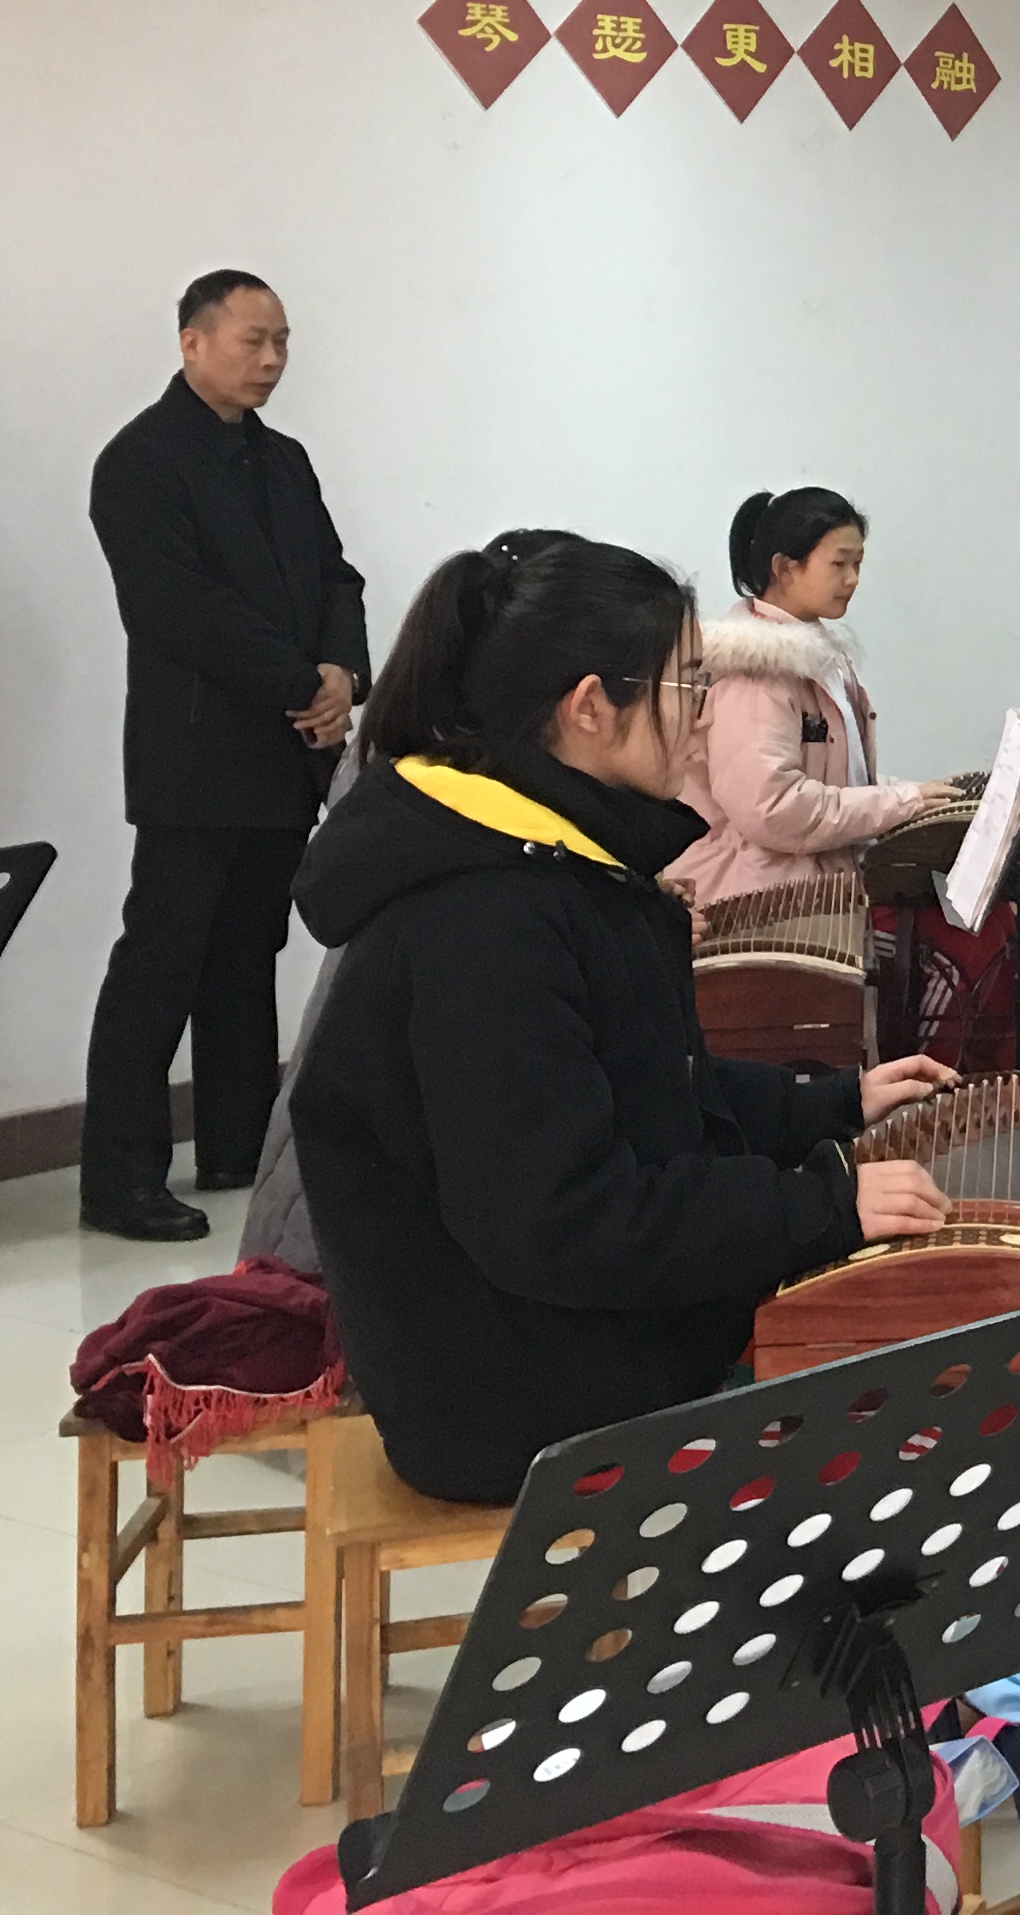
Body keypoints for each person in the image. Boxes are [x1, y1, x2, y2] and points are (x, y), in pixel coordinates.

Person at [288, 532, 955, 1503]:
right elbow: (566, 1221)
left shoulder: (558, 861)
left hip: (576, 1332)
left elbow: (647, 1085)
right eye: (689, 685)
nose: (705, 713)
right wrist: (820, 1205)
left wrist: (832, 1105)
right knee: (931, 1403)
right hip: (521, 1396)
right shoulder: (484, 921)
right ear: (590, 707)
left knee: (922, 1335)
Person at [80, 271, 373, 1243]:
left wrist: (343, 673)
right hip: (197, 755)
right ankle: (119, 1175)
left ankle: (238, 1146)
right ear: (192, 342)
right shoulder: (140, 462)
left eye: (282, 341)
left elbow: (335, 575)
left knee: (251, 953)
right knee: (162, 961)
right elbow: (178, 609)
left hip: (285, 752)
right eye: (254, 340)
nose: (272, 359)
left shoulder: (282, 459)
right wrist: (302, 682)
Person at [669, 487, 949, 911]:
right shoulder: (755, 673)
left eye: (857, 564)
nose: (853, 579)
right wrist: (899, 803)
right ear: (784, 567)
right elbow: (771, 807)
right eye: (839, 563)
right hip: (765, 898)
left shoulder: (815, 654)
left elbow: (844, 780)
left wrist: (917, 797)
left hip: (816, 878)